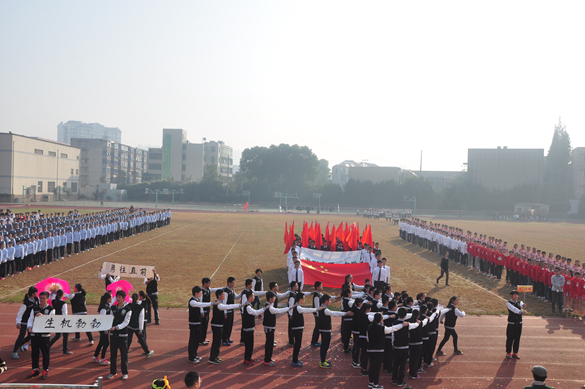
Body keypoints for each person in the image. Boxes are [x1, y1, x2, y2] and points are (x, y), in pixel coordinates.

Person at [367, 312, 411, 389]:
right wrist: (402, 325)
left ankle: (371, 382)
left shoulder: (369, 327)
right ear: (381, 320)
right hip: (379, 350)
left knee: (371, 366)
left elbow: (368, 339)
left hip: (370, 350)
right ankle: (376, 384)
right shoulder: (382, 328)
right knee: (376, 368)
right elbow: (392, 329)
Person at [25, 291, 54, 380]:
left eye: (43, 298)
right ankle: (35, 369)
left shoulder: (51, 309)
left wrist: (42, 316)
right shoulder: (35, 308)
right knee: (34, 353)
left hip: (44, 336)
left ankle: (45, 370)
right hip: (34, 334)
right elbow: (30, 319)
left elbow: (51, 321)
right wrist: (29, 327)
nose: (41, 300)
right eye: (40, 298)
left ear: (47, 298)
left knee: (45, 354)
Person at [319, 294, 353, 368]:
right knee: (325, 345)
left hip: (324, 329)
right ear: (326, 301)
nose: (330, 302)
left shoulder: (322, 308)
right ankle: (322, 361)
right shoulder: (325, 310)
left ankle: (323, 360)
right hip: (325, 330)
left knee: (325, 345)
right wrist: (346, 313)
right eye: (330, 300)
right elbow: (334, 313)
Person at [208, 289, 241, 365]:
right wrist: (239, 305)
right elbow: (228, 306)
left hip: (219, 325)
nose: (224, 296)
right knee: (216, 342)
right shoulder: (219, 305)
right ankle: (212, 358)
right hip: (217, 325)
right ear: (219, 296)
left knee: (218, 342)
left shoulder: (220, 303)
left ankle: (215, 357)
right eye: (223, 295)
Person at [262, 290, 292, 367]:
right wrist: (289, 308)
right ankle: (267, 360)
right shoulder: (270, 307)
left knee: (270, 343)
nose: (275, 298)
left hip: (270, 327)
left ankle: (268, 358)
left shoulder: (270, 306)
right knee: (269, 343)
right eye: (274, 297)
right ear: (270, 298)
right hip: (269, 327)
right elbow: (279, 311)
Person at [107, 290, 132, 380]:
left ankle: (124, 372)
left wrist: (116, 327)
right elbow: (109, 319)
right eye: (117, 297)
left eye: (120, 297)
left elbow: (126, 323)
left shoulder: (128, 309)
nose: (118, 299)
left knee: (124, 354)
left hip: (122, 335)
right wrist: (108, 327)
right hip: (113, 335)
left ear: (124, 298)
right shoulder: (113, 308)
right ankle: (113, 372)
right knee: (113, 354)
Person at [188, 286, 216, 363]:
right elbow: (201, 305)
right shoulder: (192, 301)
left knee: (197, 340)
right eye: (200, 292)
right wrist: (212, 303)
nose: (202, 293)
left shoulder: (196, 300)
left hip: (198, 322)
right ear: (196, 293)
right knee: (193, 340)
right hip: (194, 323)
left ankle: (195, 355)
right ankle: (191, 357)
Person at [290, 292, 319, 367]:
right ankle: (294, 360)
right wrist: (317, 309)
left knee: (298, 344)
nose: (304, 300)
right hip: (297, 328)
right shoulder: (298, 308)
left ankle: (295, 359)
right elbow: (307, 310)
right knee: (297, 344)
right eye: (304, 298)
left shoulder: (297, 306)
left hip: (298, 328)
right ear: (300, 299)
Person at [240, 290, 266, 365]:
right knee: (249, 344)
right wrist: (264, 309)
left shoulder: (248, 305)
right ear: (250, 297)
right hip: (247, 328)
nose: (254, 297)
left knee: (250, 344)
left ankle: (248, 358)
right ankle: (246, 359)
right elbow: (255, 312)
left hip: (249, 328)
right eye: (253, 296)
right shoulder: (248, 307)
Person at [13, 286, 39, 359]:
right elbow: (20, 313)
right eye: (36, 292)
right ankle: (14, 351)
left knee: (30, 336)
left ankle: (21, 344)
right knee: (21, 336)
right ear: (32, 294)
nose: (37, 293)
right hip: (24, 322)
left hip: (32, 321)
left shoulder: (37, 300)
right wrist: (18, 322)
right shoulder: (26, 303)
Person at [126, 293, 154, 358]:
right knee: (141, 339)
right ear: (138, 298)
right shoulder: (141, 308)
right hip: (137, 327)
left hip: (129, 326)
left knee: (128, 341)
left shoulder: (129, 305)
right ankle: (147, 352)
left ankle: (124, 354)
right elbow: (141, 319)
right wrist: (141, 329)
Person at [48, 289, 72, 355]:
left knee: (58, 335)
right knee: (65, 335)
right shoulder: (64, 304)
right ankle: (65, 350)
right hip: (62, 321)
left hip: (56, 320)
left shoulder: (54, 302)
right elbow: (65, 314)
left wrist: (54, 292)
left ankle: (48, 346)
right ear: (62, 295)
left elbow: (52, 298)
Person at [92, 292, 112, 365]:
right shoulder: (104, 308)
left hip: (104, 328)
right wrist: (105, 330)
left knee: (101, 343)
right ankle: (103, 358)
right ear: (108, 299)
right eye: (111, 297)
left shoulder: (107, 305)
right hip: (104, 328)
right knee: (106, 343)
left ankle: (95, 357)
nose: (112, 298)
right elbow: (102, 319)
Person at [506, 290, 526, 359]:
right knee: (510, 338)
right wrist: (520, 312)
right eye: (514, 295)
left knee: (517, 339)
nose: (516, 296)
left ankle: (515, 352)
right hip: (511, 324)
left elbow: (521, 305)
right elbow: (513, 309)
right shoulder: (508, 303)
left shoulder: (519, 302)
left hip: (519, 323)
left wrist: (523, 306)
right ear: (511, 295)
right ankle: (508, 352)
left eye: (517, 295)